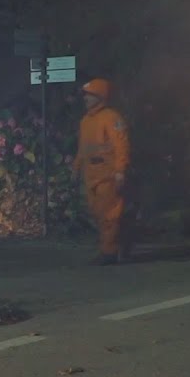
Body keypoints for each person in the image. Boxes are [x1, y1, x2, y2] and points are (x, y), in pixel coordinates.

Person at [72, 78, 131, 265]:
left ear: (99, 97)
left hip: (107, 175)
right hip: (91, 176)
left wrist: (120, 171)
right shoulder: (85, 121)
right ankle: (114, 248)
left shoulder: (112, 118)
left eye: (89, 95)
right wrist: (76, 169)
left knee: (109, 215)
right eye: (85, 95)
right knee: (98, 214)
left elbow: (121, 145)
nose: (86, 99)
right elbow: (82, 149)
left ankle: (109, 252)